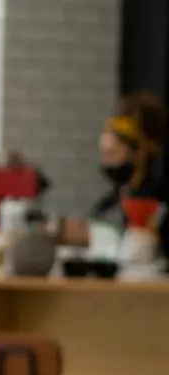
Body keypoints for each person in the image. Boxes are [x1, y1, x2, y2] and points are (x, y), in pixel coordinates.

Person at [66, 92, 169, 256]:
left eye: (115, 150)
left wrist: (90, 236)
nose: (105, 151)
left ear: (140, 151)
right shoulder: (108, 203)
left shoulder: (157, 203)